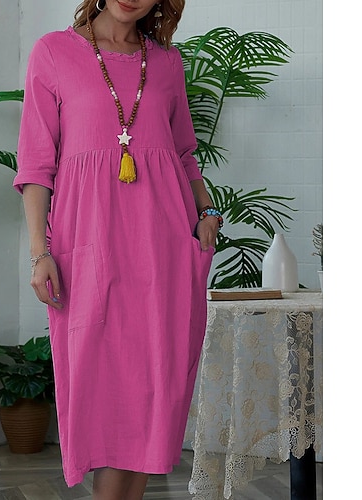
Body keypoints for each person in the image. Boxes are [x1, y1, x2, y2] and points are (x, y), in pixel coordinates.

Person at [13, 1, 222, 498]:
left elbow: (184, 153)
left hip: (163, 245)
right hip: (88, 243)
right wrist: (40, 253)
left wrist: (208, 213)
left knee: (155, 388)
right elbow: (36, 164)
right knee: (101, 390)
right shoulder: (53, 52)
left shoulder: (167, 61)